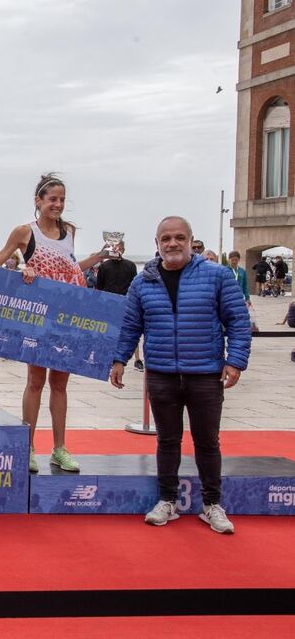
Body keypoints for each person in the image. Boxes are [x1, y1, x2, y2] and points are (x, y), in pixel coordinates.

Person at [110, 216, 250, 534]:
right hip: (161, 374)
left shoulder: (217, 276)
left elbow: (238, 321)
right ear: (157, 244)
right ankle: (167, 500)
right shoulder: (142, 282)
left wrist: (236, 361)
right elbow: (130, 325)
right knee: (167, 440)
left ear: (190, 241)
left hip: (205, 374)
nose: (172, 243)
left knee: (207, 442)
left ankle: (212, 504)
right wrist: (119, 360)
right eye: (166, 238)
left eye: (179, 237)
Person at [0, 173, 107, 474]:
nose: (58, 204)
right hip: (38, 317)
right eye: (52, 199)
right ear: (38, 201)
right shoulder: (24, 232)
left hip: (65, 316)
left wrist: (100, 256)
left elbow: (71, 271)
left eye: (62, 200)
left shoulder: (69, 231)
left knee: (60, 384)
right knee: (35, 381)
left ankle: (59, 449)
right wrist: (21, 272)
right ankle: (28, 448)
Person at [95, 240, 142, 370]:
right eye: (114, 248)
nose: (116, 250)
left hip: (122, 303)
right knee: (112, 332)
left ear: (123, 249)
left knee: (129, 330)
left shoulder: (129, 265)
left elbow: (134, 285)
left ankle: (137, 359)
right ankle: (110, 358)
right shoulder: (105, 266)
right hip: (112, 303)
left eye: (118, 248)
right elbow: (99, 288)